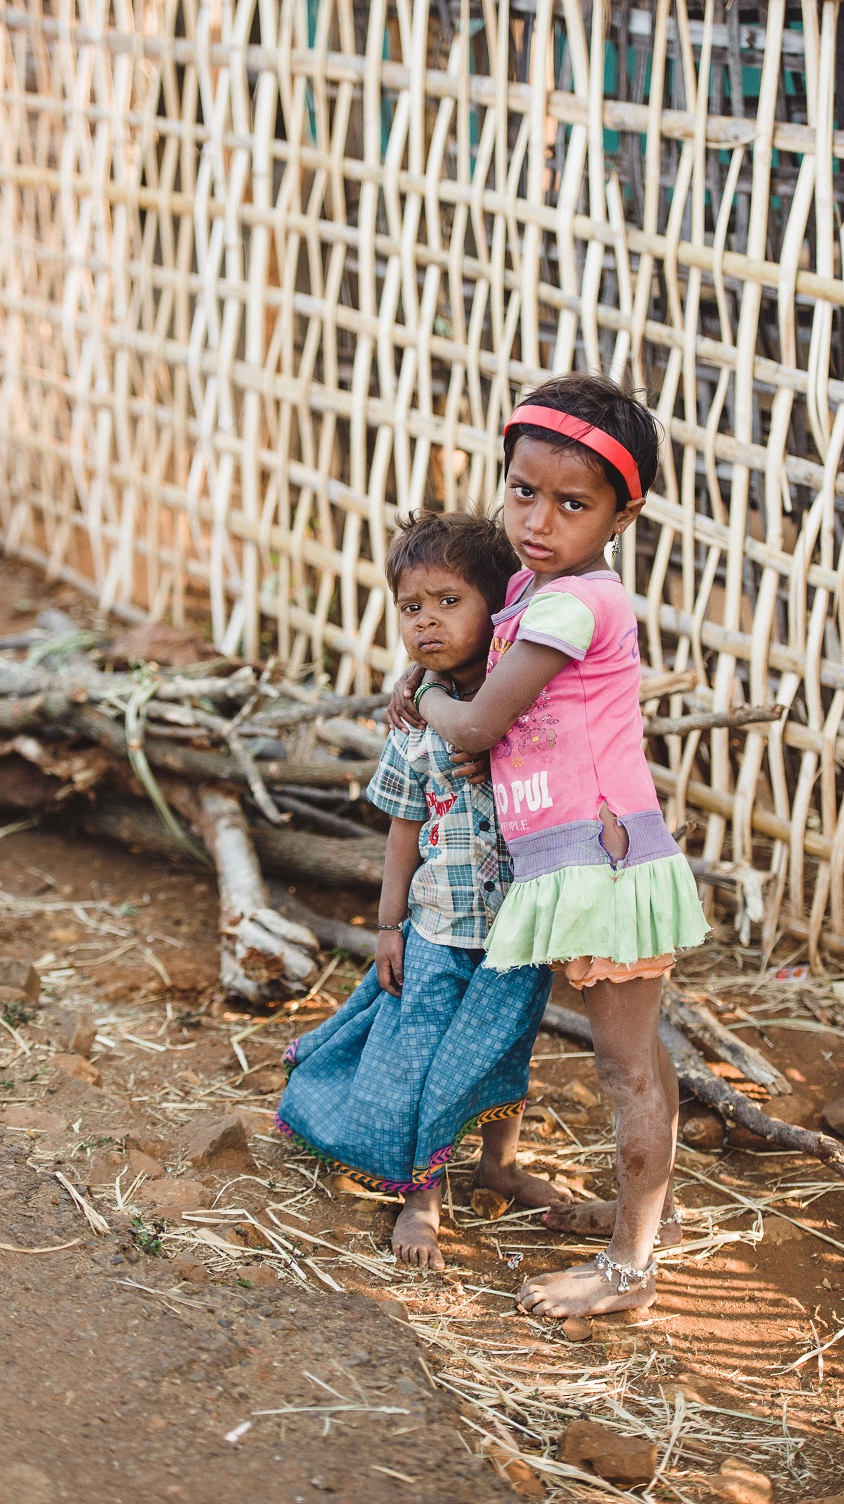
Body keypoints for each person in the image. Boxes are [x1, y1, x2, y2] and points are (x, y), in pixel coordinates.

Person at [389, 374, 707, 1316]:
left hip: (603, 868)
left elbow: (481, 723)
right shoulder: (535, 588)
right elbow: (475, 632)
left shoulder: (579, 605)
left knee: (627, 1067)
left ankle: (629, 1271)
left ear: (622, 517)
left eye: (574, 504)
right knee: (627, 1061)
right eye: (524, 491)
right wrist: (422, 662)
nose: (539, 519)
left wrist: (425, 699)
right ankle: (643, 1218)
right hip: (569, 860)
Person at [275, 512, 570, 1273]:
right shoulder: (414, 723)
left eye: (449, 601)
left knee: (506, 1055)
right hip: (438, 930)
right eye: (412, 607)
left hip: (520, 932)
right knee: (428, 1065)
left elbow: (566, 783)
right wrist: (387, 928)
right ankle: (423, 1195)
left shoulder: (526, 714)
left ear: (499, 607)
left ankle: (498, 1168)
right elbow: (403, 829)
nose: (428, 621)